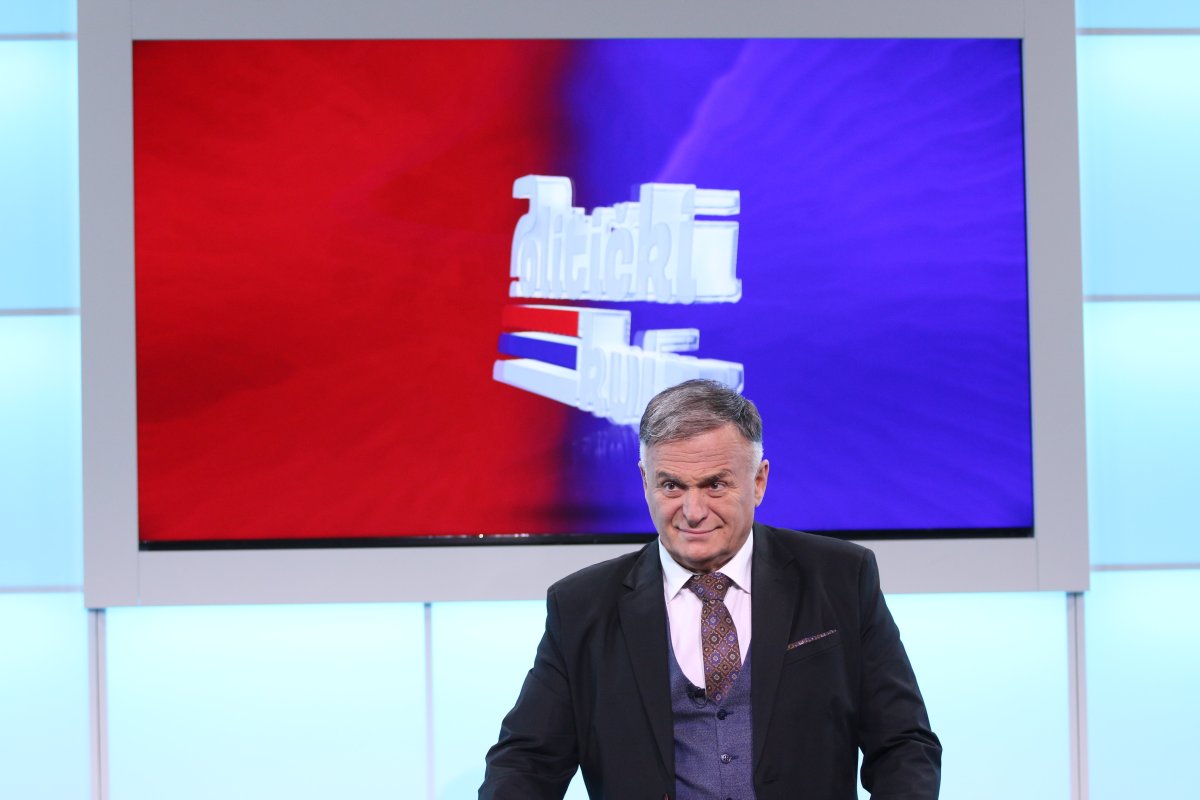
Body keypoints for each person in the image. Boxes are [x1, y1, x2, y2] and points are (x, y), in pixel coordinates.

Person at [480, 379, 941, 799]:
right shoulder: (581, 606)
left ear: (758, 482)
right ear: (644, 482)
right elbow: (526, 764)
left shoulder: (840, 577)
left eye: (715, 484)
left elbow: (903, 744)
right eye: (671, 486)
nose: (693, 511)